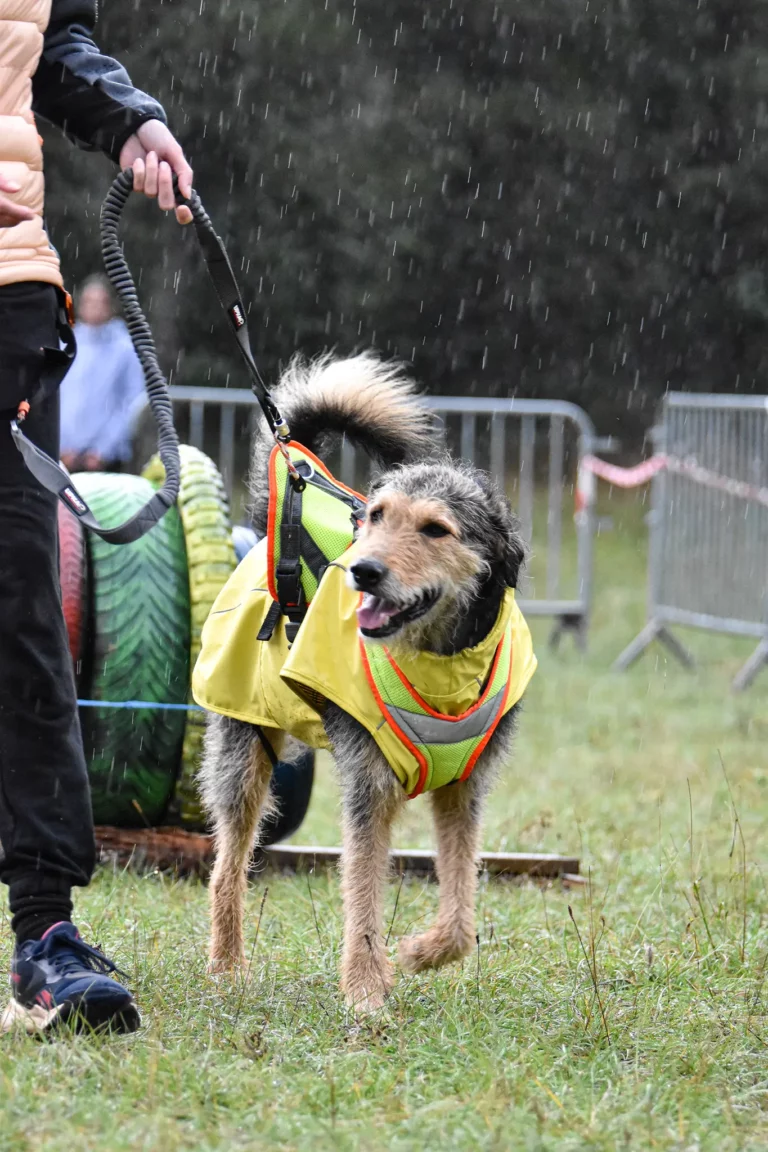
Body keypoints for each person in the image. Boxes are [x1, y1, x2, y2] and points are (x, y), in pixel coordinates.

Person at [0, 0, 193, 1034]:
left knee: (22, 623)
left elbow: (49, 41)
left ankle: (44, 936)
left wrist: (128, 120)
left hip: (8, 295)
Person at [60, 275, 145, 473]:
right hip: (65, 456)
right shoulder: (66, 343)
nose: (95, 307)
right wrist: (61, 445)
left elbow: (132, 403)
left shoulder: (125, 348)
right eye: (90, 301)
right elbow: (56, 395)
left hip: (106, 459)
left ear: (110, 306)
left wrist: (103, 450)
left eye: (101, 302)